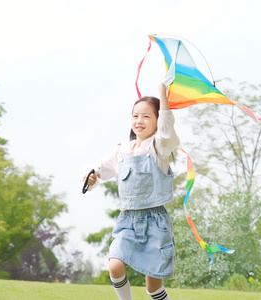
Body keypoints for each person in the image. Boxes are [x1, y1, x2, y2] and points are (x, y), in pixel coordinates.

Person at [83, 79, 179, 300]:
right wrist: (91, 177)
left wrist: (162, 94)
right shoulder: (122, 151)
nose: (139, 121)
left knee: (153, 289)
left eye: (146, 116)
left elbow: (167, 130)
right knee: (114, 266)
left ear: (157, 120)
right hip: (127, 222)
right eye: (135, 116)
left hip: (155, 224)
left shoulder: (159, 148)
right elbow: (100, 169)